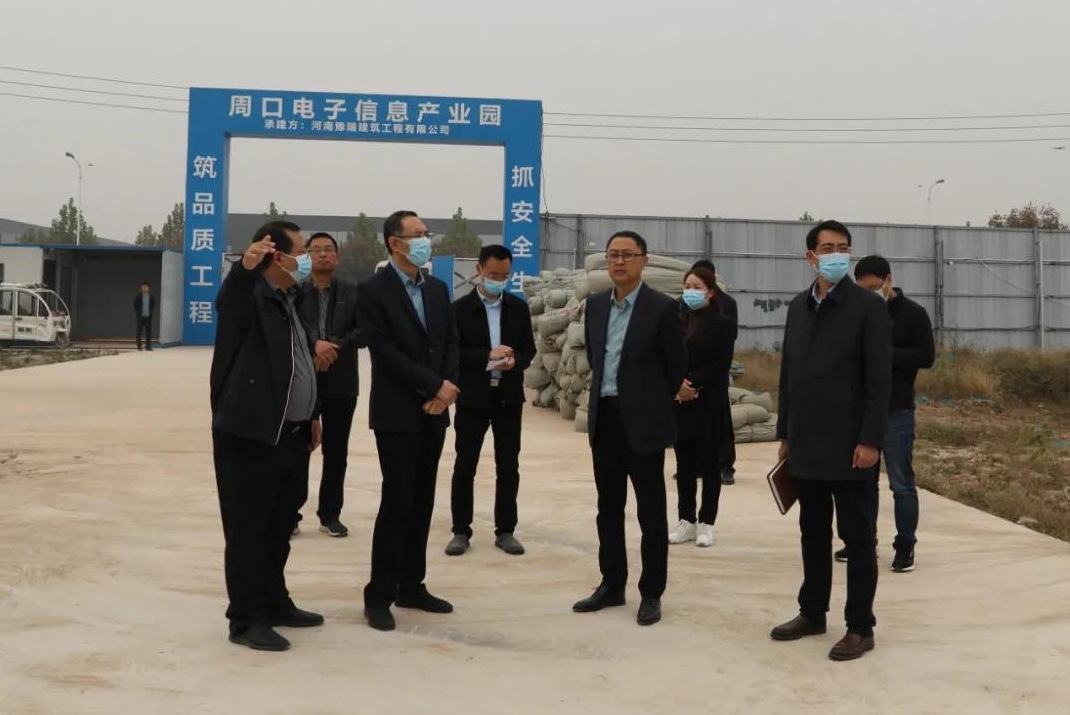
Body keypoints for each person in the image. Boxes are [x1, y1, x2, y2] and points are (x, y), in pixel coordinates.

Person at [770, 220, 890, 662]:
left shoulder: (868, 307)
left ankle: (860, 626)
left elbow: (879, 380)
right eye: (827, 248)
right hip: (807, 443)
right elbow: (789, 374)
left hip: (852, 446)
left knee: (857, 539)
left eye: (843, 247)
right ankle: (812, 613)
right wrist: (786, 432)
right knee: (813, 533)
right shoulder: (798, 307)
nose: (836, 255)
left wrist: (870, 440)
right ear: (811, 257)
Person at [210, 222, 324, 652]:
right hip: (251, 434)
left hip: (291, 434)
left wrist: (311, 413)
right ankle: (245, 619)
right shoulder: (251, 296)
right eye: (302, 250)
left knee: (279, 526)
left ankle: (275, 602)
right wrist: (244, 268)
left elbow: (300, 362)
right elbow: (229, 300)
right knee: (248, 529)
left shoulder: (291, 298)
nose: (308, 258)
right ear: (278, 256)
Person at [572, 231, 687, 627]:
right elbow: (595, 355)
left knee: (650, 513)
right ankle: (612, 584)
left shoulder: (662, 308)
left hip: (644, 423)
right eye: (612, 255)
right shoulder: (596, 305)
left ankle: (651, 592)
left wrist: (647, 399)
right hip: (605, 419)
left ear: (644, 260)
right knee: (608, 508)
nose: (619, 262)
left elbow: (676, 366)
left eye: (627, 255)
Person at [358, 210, 460, 632]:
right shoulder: (373, 291)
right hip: (397, 413)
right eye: (417, 235)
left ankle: (412, 585)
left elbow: (450, 342)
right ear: (394, 242)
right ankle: (379, 594)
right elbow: (384, 351)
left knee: (422, 502)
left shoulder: (436, 288)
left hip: (436, 411)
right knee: (397, 503)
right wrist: (434, 386)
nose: (425, 241)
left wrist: (447, 387)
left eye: (426, 233)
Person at [833, 255, 934, 573]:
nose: (870, 294)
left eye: (875, 287)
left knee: (901, 482)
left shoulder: (913, 314)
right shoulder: (856, 313)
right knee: (864, 482)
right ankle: (863, 540)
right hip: (860, 411)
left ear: (889, 280)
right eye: (864, 289)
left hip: (896, 409)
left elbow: (926, 356)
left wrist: (884, 354)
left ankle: (905, 545)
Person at [446, 244, 536, 557]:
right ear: (479, 270)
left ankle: (506, 530)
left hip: (508, 397)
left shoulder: (518, 308)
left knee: (508, 465)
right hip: (473, 397)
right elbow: (453, 352)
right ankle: (460, 531)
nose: (499, 280)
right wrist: (488, 355)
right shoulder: (459, 310)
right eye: (493, 274)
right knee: (465, 465)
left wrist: (515, 361)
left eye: (504, 275)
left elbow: (529, 349)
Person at [295, 232, 367, 539]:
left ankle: (330, 514)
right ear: (308, 256)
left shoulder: (353, 291)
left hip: (342, 381)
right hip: (304, 380)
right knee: (298, 450)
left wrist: (332, 348)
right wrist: (315, 345)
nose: (322, 254)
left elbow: (364, 330)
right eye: (316, 250)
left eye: (328, 249)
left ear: (336, 257)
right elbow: (294, 327)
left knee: (336, 451)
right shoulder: (296, 292)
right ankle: (291, 513)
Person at [668, 265, 736, 548]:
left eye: (697, 287)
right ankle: (686, 520)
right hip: (680, 402)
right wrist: (677, 384)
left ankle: (707, 522)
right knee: (683, 465)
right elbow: (667, 355)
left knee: (710, 465)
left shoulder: (722, 323)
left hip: (708, 400)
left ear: (710, 292)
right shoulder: (676, 319)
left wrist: (693, 384)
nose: (691, 292)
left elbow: (722, 362)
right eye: (687, 287)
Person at [690, 259, 740, 486]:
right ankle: (697, 465)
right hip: (691, 375)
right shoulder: (683, 305)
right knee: (694, 424)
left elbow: (729, 339)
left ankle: (726, 465)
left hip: (716, 375)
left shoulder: (727, 303)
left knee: (721, 423)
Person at [133, 281, 156, 351]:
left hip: (148, 317)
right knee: (139, 332)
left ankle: (148, 347)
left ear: (148, 288)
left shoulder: (151, 296)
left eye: (146, 287)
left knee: (148, 333)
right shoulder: (138, 296)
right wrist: (138, 313)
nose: (144, 288)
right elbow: (135, 305)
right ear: (141, 288)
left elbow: (153, 305)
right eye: (143, 287)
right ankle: (139, 346)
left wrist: (150, 314)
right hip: (140, 317)